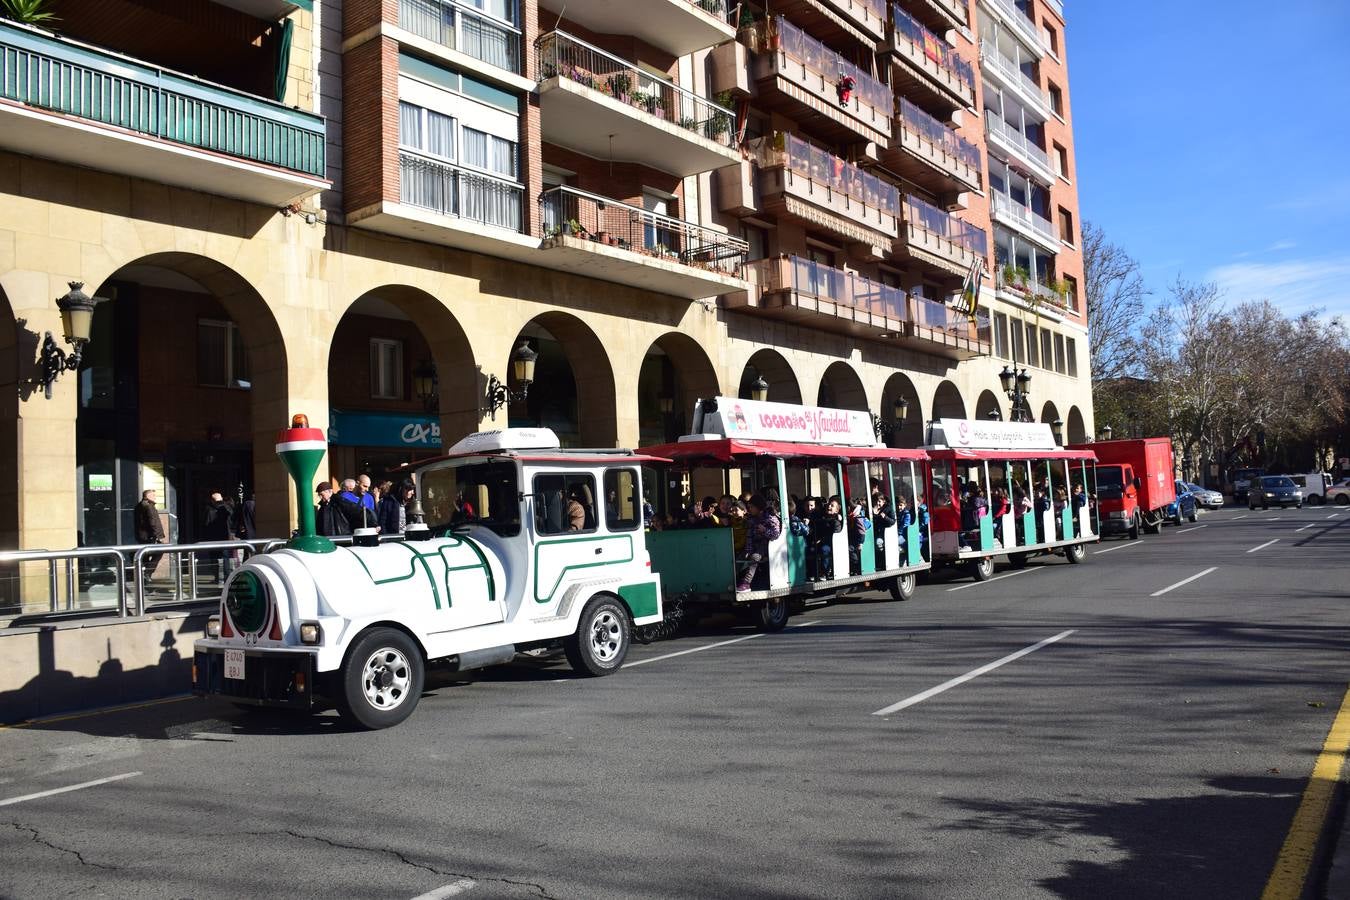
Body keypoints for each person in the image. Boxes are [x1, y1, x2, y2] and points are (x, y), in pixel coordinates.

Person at [737, 494, 781, 592]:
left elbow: (776, 534)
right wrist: (748, 550)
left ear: (758, 507)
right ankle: (733, 580)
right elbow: (749, 536)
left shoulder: (770, 517)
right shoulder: (752, 519)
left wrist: (765, 530)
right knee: (740, 558)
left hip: (766, 546)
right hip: (754, 545)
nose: (749, 509)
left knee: (754, 558)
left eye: (751, 507)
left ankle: (746, 583)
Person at [202, 491, 235, 584]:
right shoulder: (228, 509)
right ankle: (227, 578)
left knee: (214, 559)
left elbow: (206, 525)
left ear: (212, 501)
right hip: (226, 538)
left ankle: (217, 578)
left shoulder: (209, 510)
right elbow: (232, 522)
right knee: (226, 559)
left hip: (213, 539)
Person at [809, 496, 843, 581]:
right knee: (811, 549)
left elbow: (836, 535)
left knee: (825, 549)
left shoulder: (836, 521)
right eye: (828, 504)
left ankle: (825, 572)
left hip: (831, 543)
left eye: (832, 506)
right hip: (820, 541)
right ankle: (813, 572)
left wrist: (821, 540)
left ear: (837, 510)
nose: (829, 506)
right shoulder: (822, 517)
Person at [134, 489, 166, 579]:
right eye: (153, 495)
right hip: (150, 536)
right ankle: (147, 573)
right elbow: (152, 522)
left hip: (142, 536)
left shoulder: (139, 506)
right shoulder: (149, 506)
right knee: (159, 551)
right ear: (148, 496)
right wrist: (158, 536)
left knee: (145, 555)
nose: (155, 497)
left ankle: (144, 576)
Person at [847, 496, 871, 575]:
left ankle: (855, 567)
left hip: (857, 539)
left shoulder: (858, 517)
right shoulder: (854, 515)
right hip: (854, 537)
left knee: (850, 549)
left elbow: (862, 531)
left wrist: (861, 543)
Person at [872, 490, 895, 568]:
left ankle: (882, 562)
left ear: (883, 502)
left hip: (884, 534)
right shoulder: (872, 510)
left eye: (879, 501)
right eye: (876, 501)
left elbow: (893, 521)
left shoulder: (888, 509)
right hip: (874, 533)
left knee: (878, 542)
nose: (877, 503)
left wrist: (885, 517)